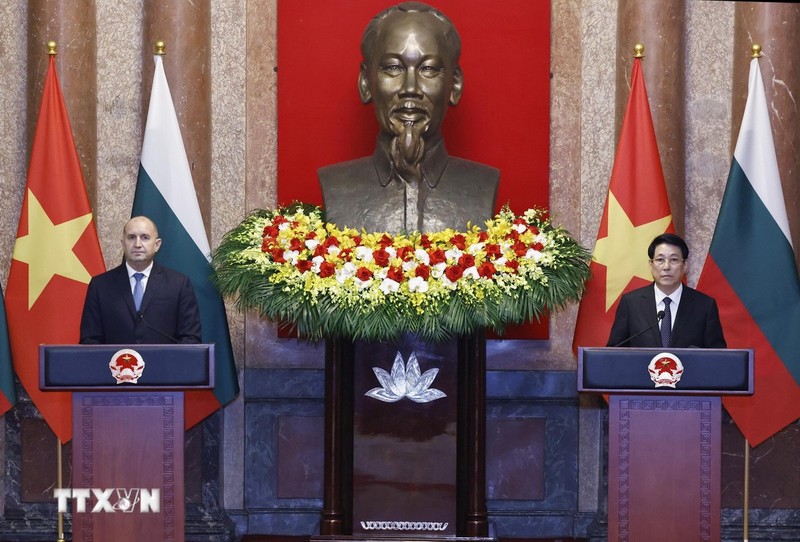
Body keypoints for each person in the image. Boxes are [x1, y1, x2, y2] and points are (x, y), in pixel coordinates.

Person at [318, 1, 499, 234]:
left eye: (428, 69)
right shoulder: (336, 185)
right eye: (393, 68)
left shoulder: (482, 184)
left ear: (454, 85)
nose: (410, 88)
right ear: (365, 82)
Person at [80, 216, 202, 344]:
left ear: (157, 245)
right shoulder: (100, 286)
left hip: (164, 363)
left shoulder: (179, 284)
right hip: (115, 363)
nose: (137, 244)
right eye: (131, 237)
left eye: (145, 237)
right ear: (123, 244)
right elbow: (90, 339)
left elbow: (190, 338)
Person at [606, 233, 726, 348]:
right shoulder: (631, 303)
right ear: (651, 265)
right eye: (660, 260)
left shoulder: (705, 305)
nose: (666, 267)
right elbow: (614, 352)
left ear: (685, 266)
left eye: (674, 260)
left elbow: (717, 356)